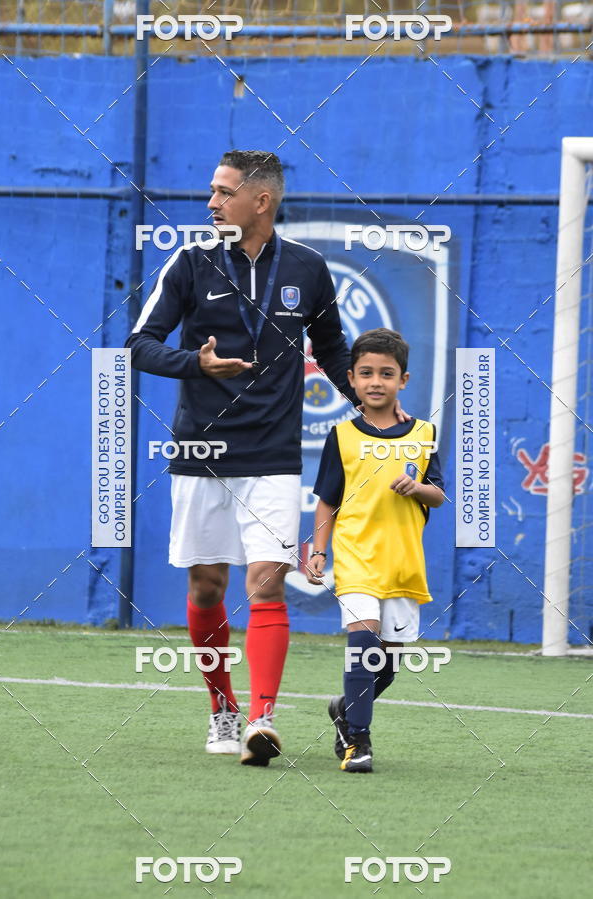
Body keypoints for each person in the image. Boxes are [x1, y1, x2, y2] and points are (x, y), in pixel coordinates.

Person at [126, 149, 371, 766]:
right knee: (209, 585)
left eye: (223, 192)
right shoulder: (189, 263)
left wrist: (363, 398)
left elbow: (332, 344)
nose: (211, 203)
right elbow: (139, 345)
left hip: (273, 453)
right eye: (211, 191)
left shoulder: (310, 269)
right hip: (200, 451)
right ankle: (224, 710)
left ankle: (262, 717)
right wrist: (196, 363)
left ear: (260, 201)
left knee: (267, 582)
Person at [306, 328, 445, 773]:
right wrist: (319, 551)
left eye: (387, 373)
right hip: (356, 556)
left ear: (403, 380)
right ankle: (359, 744)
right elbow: (328, 498)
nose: (376, 381)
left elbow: (439, 494)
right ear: (351, 378)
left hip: (403, 563)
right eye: (366, 373)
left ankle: (345, 710)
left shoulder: (424, 433)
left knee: (386, 665)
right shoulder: (342, 435)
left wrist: (417, 487)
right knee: (362, 644)